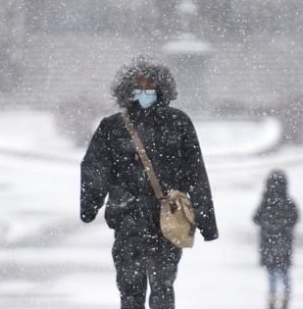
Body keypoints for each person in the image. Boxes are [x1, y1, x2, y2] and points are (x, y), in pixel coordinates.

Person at [80, 54, 219, 309]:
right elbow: (95, 169)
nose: (145, 91)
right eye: (139, 86)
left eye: (150, 86)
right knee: (130, 289)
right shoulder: (113, 127)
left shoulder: (178, 123)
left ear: (161, 88)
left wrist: (206, 220)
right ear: (127, 90)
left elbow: (195, 172)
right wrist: (90, 204)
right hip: (128, 220)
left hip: (166, 222)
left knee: (162, 286)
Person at [253, 169, 299, 309]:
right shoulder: (288, 202)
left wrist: (269, 226)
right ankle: (286, 297)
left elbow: (256, 218)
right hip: (284, 243)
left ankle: (272, 299)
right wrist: (282, 227)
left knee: (272, 273)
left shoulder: (266, 202)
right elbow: (295, 218)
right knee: (285, 272)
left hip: (268, 244)